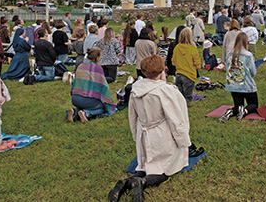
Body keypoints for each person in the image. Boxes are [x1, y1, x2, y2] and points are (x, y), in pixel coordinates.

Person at [107, 55, 192, 202]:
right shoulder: (166, 91)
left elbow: (132, 116)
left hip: (143, 133)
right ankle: (143, 182)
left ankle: (128, 181)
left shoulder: (135, 89)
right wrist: (184, 141)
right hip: (161, 135)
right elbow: (177, 119)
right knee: (165, 168)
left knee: (144, 166)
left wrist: (136, 136)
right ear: (161, 72)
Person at [67, 47, 114, 123]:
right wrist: (108, 100)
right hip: (88, 101)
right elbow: (103, 86)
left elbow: (75, 83)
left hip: (75, 99)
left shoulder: (80, 66)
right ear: (97, 57)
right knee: (103, 108)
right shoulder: (98, 68)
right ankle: (86, 113)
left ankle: (75, 112)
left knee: (84, 104)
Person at [220, 32, 259, 122]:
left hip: (233, 86)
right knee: (254, 104)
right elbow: (253, 72)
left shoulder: (229, 54)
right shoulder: (248, 55)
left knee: (237, 106)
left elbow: (227, 69)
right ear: (246, 42)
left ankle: (230, 111)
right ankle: (244, 111)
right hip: (247, 86)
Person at [172, 28, 201, 102]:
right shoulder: (192, 49)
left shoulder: (177, 47)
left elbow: (173, 62)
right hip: (189, 75)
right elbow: (198, 65)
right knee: (187, 98)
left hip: (178, 74)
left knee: (179, 97)